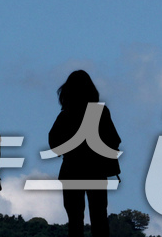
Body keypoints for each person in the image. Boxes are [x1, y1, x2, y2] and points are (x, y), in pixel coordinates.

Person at [47, 70, 121, 237]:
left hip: (71, 171)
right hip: (97, 171)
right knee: (99, 217)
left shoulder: (66, 115)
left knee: (74, 219)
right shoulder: (101, 112)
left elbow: (54, 142)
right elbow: (114, 140)